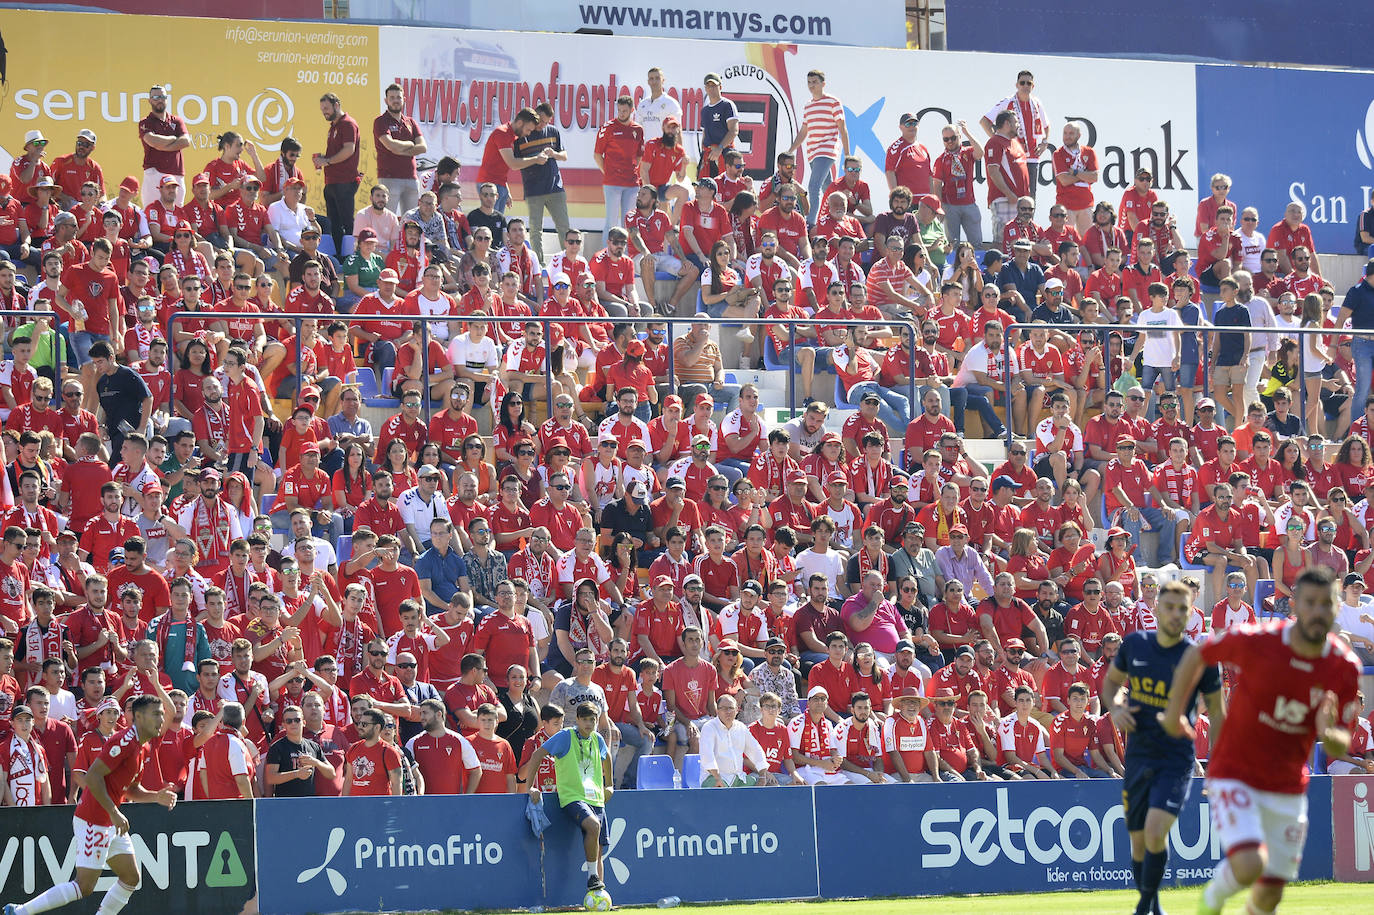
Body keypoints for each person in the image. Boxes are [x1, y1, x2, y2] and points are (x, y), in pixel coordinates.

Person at [1165, 567, 1361, 915]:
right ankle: (1210, 901)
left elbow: (1337, 742)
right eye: (1310, 603)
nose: (1318, 612)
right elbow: (1198, 654)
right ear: (1295, 605)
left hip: (1287, 783)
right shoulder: (1260, 640)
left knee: (1270, 895)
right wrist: (1175, 711)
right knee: (1250, 863)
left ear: (1336, 606)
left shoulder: (1343, 666)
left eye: (1326, 604)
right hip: (1235, 770)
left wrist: (1329, 733)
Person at [3, 694, 175, 915]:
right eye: (156, 714)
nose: (161, 719)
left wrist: (155, 796)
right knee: (83, 887)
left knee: (131, 877)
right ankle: (18, 912)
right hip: (94, 819)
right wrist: (114, 812)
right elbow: (92, 777)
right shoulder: (123, 742)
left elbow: (130, 789)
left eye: (161, 714)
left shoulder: (144, 746)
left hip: (110, 821)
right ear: (139, 717)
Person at [523, 701, 614, 895]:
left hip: (596, 798)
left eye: (593, 720)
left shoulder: (597, 739)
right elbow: (538, 754)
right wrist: (529, 786)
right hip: (572, 796)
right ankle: (591, 877)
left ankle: (598, 897)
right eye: (585, 720)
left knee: (598, 851)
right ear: (577, 720)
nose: (589, 724)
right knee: (593, 826)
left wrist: (609, 785)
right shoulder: (566, 736)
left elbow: (607, 758)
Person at [313, 93, 361, 255]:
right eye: (322, 110)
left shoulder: (348, 123)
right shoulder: (334, 126)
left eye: (326, 108)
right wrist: (323, 159)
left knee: (347, 223)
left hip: (344, 181)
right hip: (332, 182)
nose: (324, 112)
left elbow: (349, 150)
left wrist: (327, 161)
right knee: (334, 224)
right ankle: (340, 256)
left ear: (337, 105)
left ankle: (350, 257)